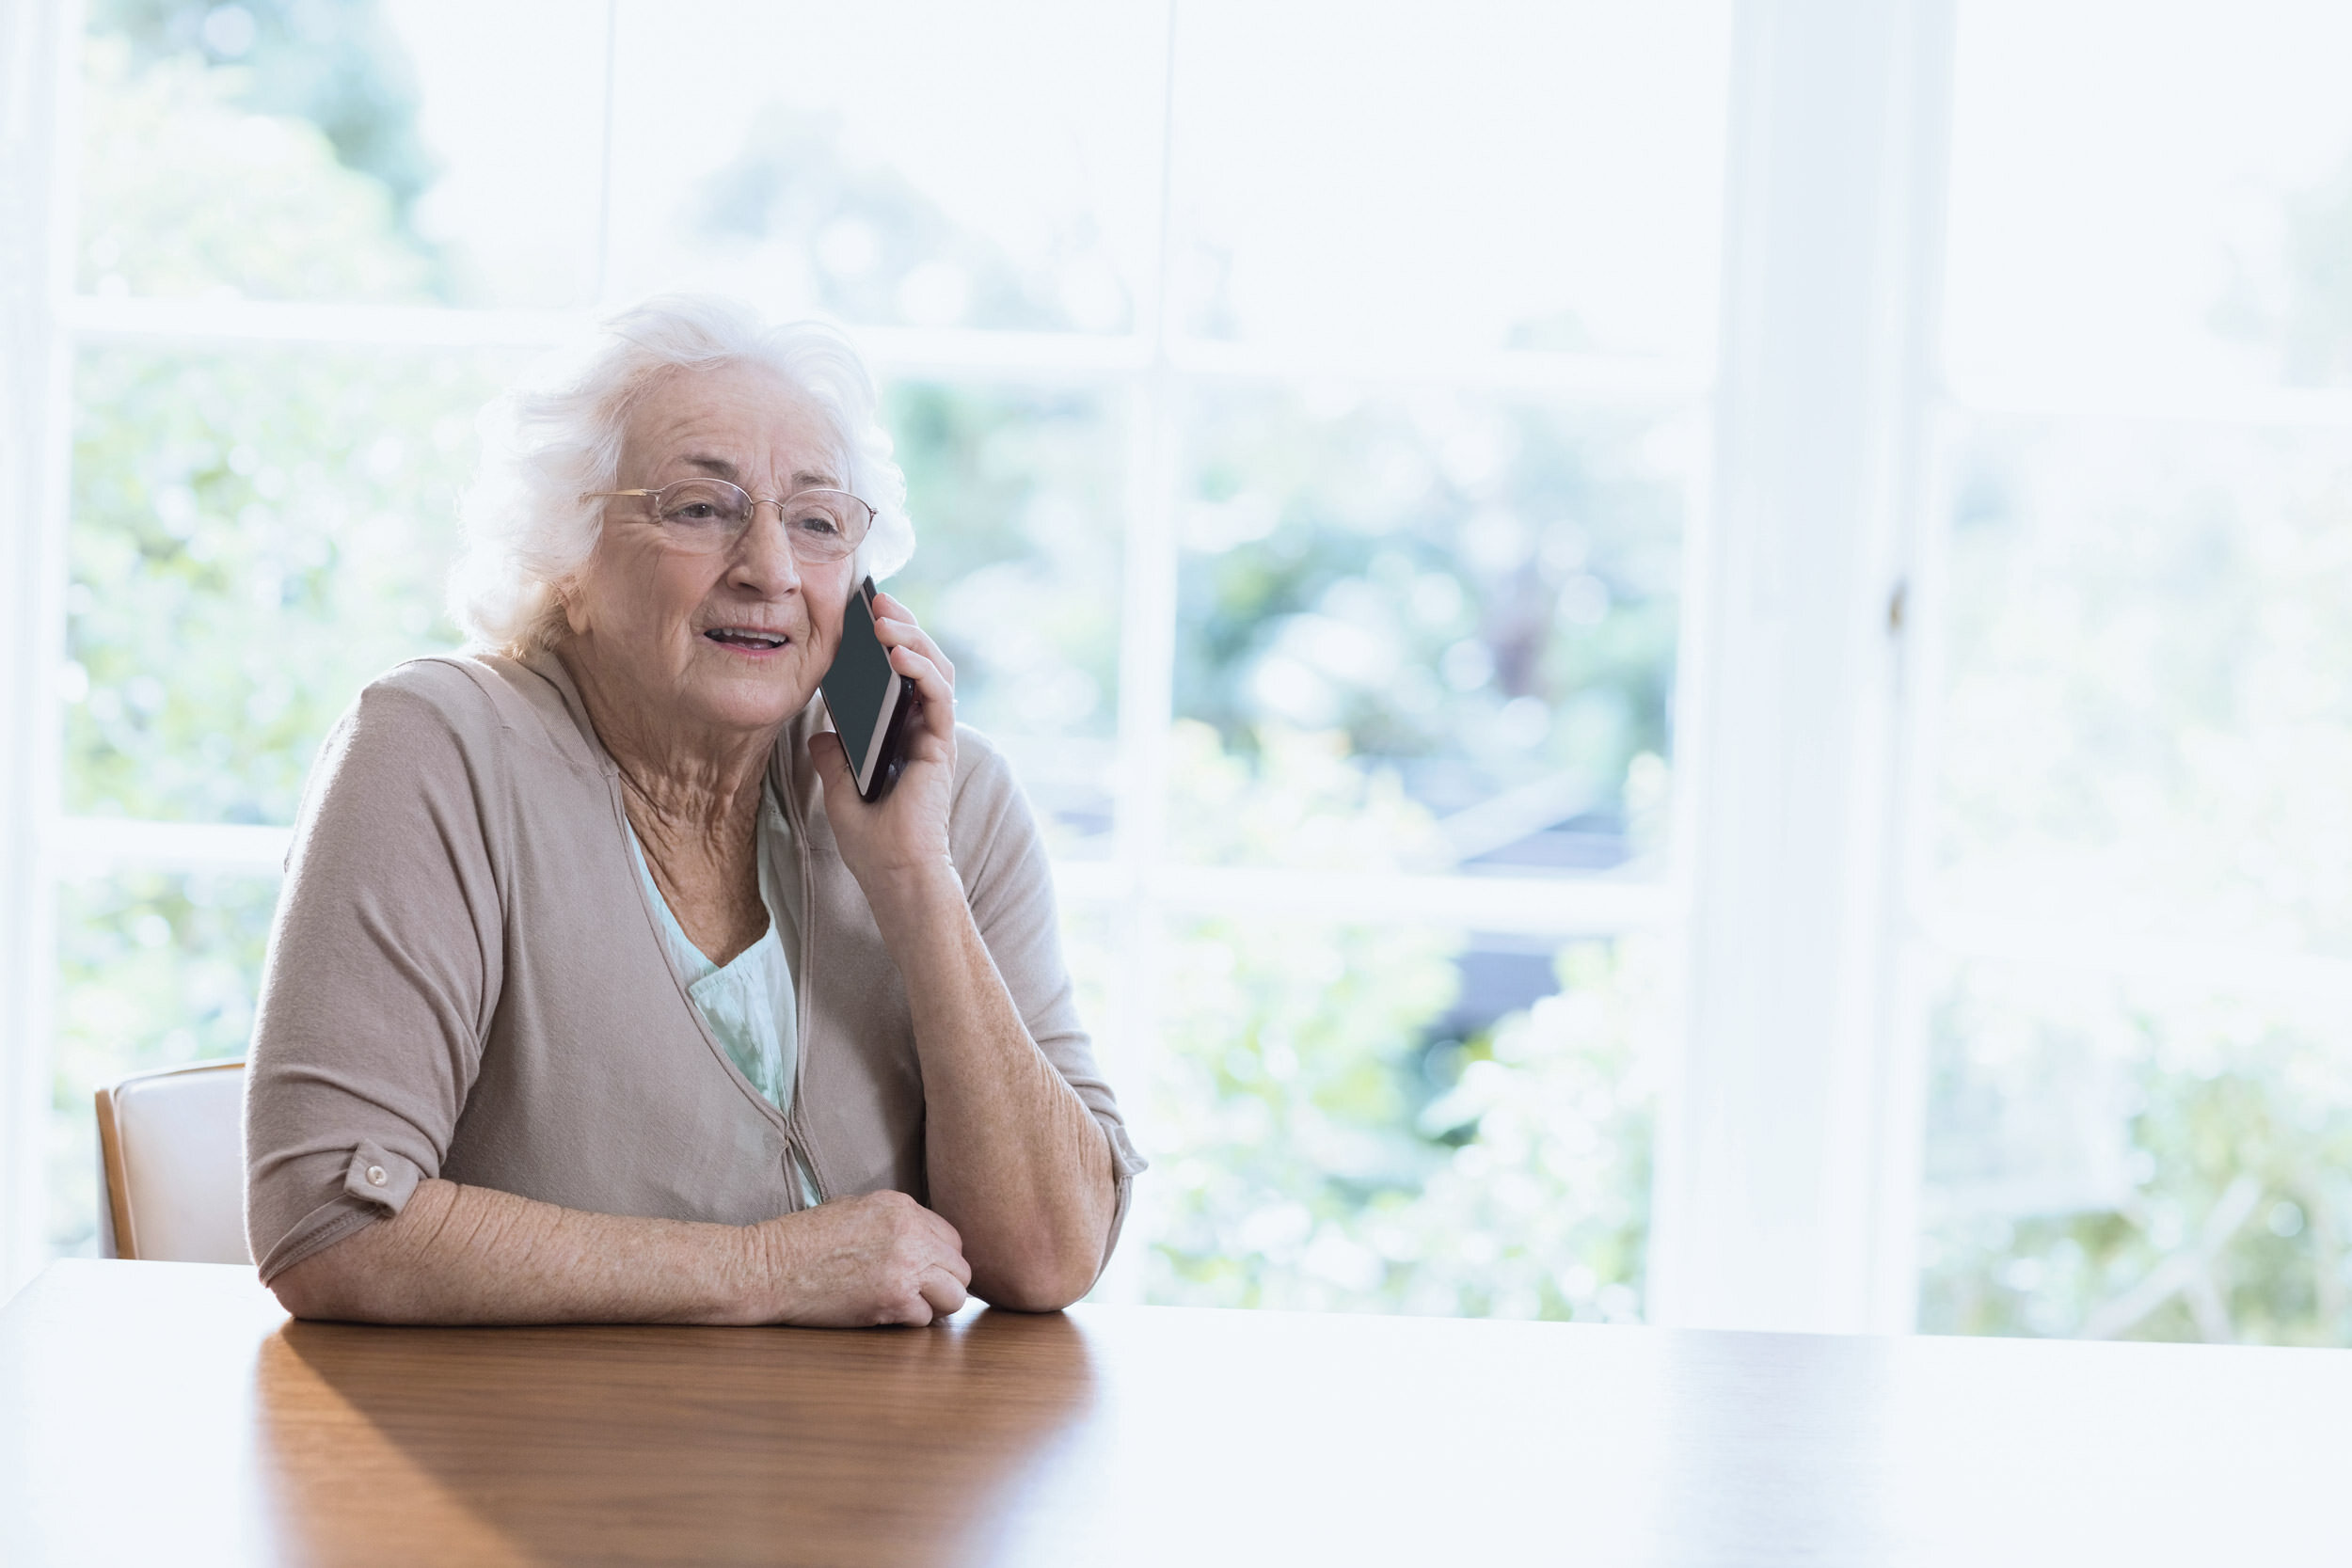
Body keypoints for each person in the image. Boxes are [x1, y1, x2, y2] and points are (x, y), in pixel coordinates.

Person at [243, 294, 1141, 1326]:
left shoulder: (944, 793)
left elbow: (1049, 1255)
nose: (767, 569)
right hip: (518, 1465)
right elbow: (328, 1223)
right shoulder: (439, 747)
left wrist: (913, 879)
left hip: (878, 1474)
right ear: (565, 559)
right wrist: (770, 1266)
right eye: (699, 509)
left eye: (816, 522)